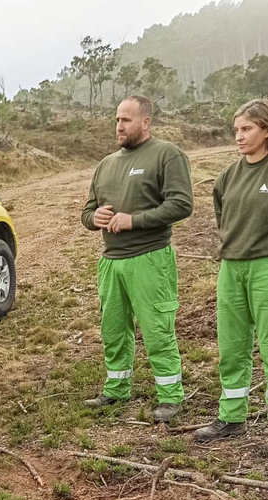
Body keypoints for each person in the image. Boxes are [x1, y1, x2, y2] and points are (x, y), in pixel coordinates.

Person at [81, 96, 193, 423]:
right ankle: (116, 389)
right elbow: (87, 211)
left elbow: (181, 205)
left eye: (126, 120)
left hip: (150, 257)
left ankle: (171, 397)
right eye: (117, 119)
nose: (119, 126)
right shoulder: (106, 164)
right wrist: (94, 217)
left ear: (145, 122)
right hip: (111, 261)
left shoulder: (166, 154)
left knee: (157, 329)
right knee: (114, 328)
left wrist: (135, 220)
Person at [194, 99, 268, 442]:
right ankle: (231, 417)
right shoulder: (228, 176)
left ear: (265, 130)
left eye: (247, 129)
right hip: (231, 266)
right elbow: (223, 216)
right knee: (232, 345)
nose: (238, 136)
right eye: (236, 130)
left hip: (264, 266)